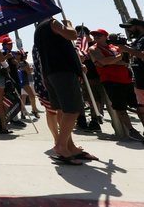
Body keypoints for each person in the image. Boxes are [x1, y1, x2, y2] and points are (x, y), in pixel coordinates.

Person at [34, 17, 95, 164]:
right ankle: (61, 146)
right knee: (72, 109)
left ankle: (70, 146)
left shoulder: (39, 31)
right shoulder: (51, 23)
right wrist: (68, 24)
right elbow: (72, 35)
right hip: (62, 72)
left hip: (52, 73)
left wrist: (77, 65)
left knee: (62, 110)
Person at [89, 28, 144, 141]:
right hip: (111, 81)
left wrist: (113, 60)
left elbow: (126, 61)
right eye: (94, 35)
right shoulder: (93, 48)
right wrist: (119, 58)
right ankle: (131, 130)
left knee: (139, 107)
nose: (96, 36)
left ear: (105, 36)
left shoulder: (115, 47)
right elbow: (103, 62)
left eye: (99, 34)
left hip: (127, 80)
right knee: (120, 108)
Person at [117, 18, 144, 135]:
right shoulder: (137, 40)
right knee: (141, 109)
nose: (128, 30)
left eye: (129, 27)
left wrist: (127, 49)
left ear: (138, 26)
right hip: (139, 80)